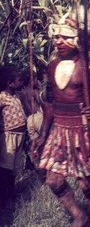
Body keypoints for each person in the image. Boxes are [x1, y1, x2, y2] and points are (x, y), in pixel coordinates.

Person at [31, 11, 90, 227]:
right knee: (53, 180)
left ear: (76, 40)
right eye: (56, 37)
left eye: (65, 37)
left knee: (87, 182)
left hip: (82, 130)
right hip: (58, 128)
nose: (59, 42)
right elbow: (49, 106)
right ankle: (78, 214)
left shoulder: (89, 68)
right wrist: (42, 135)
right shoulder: (53, 66)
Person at [0, 66, 26, 208]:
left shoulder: (16, 96)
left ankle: (12, 192)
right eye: (19, 80)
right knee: (5, 168)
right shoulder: (2, 97)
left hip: (20, 136)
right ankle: (4, 197)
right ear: (10, 83)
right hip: (8, 136)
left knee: (14, 168)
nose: (22, 82)